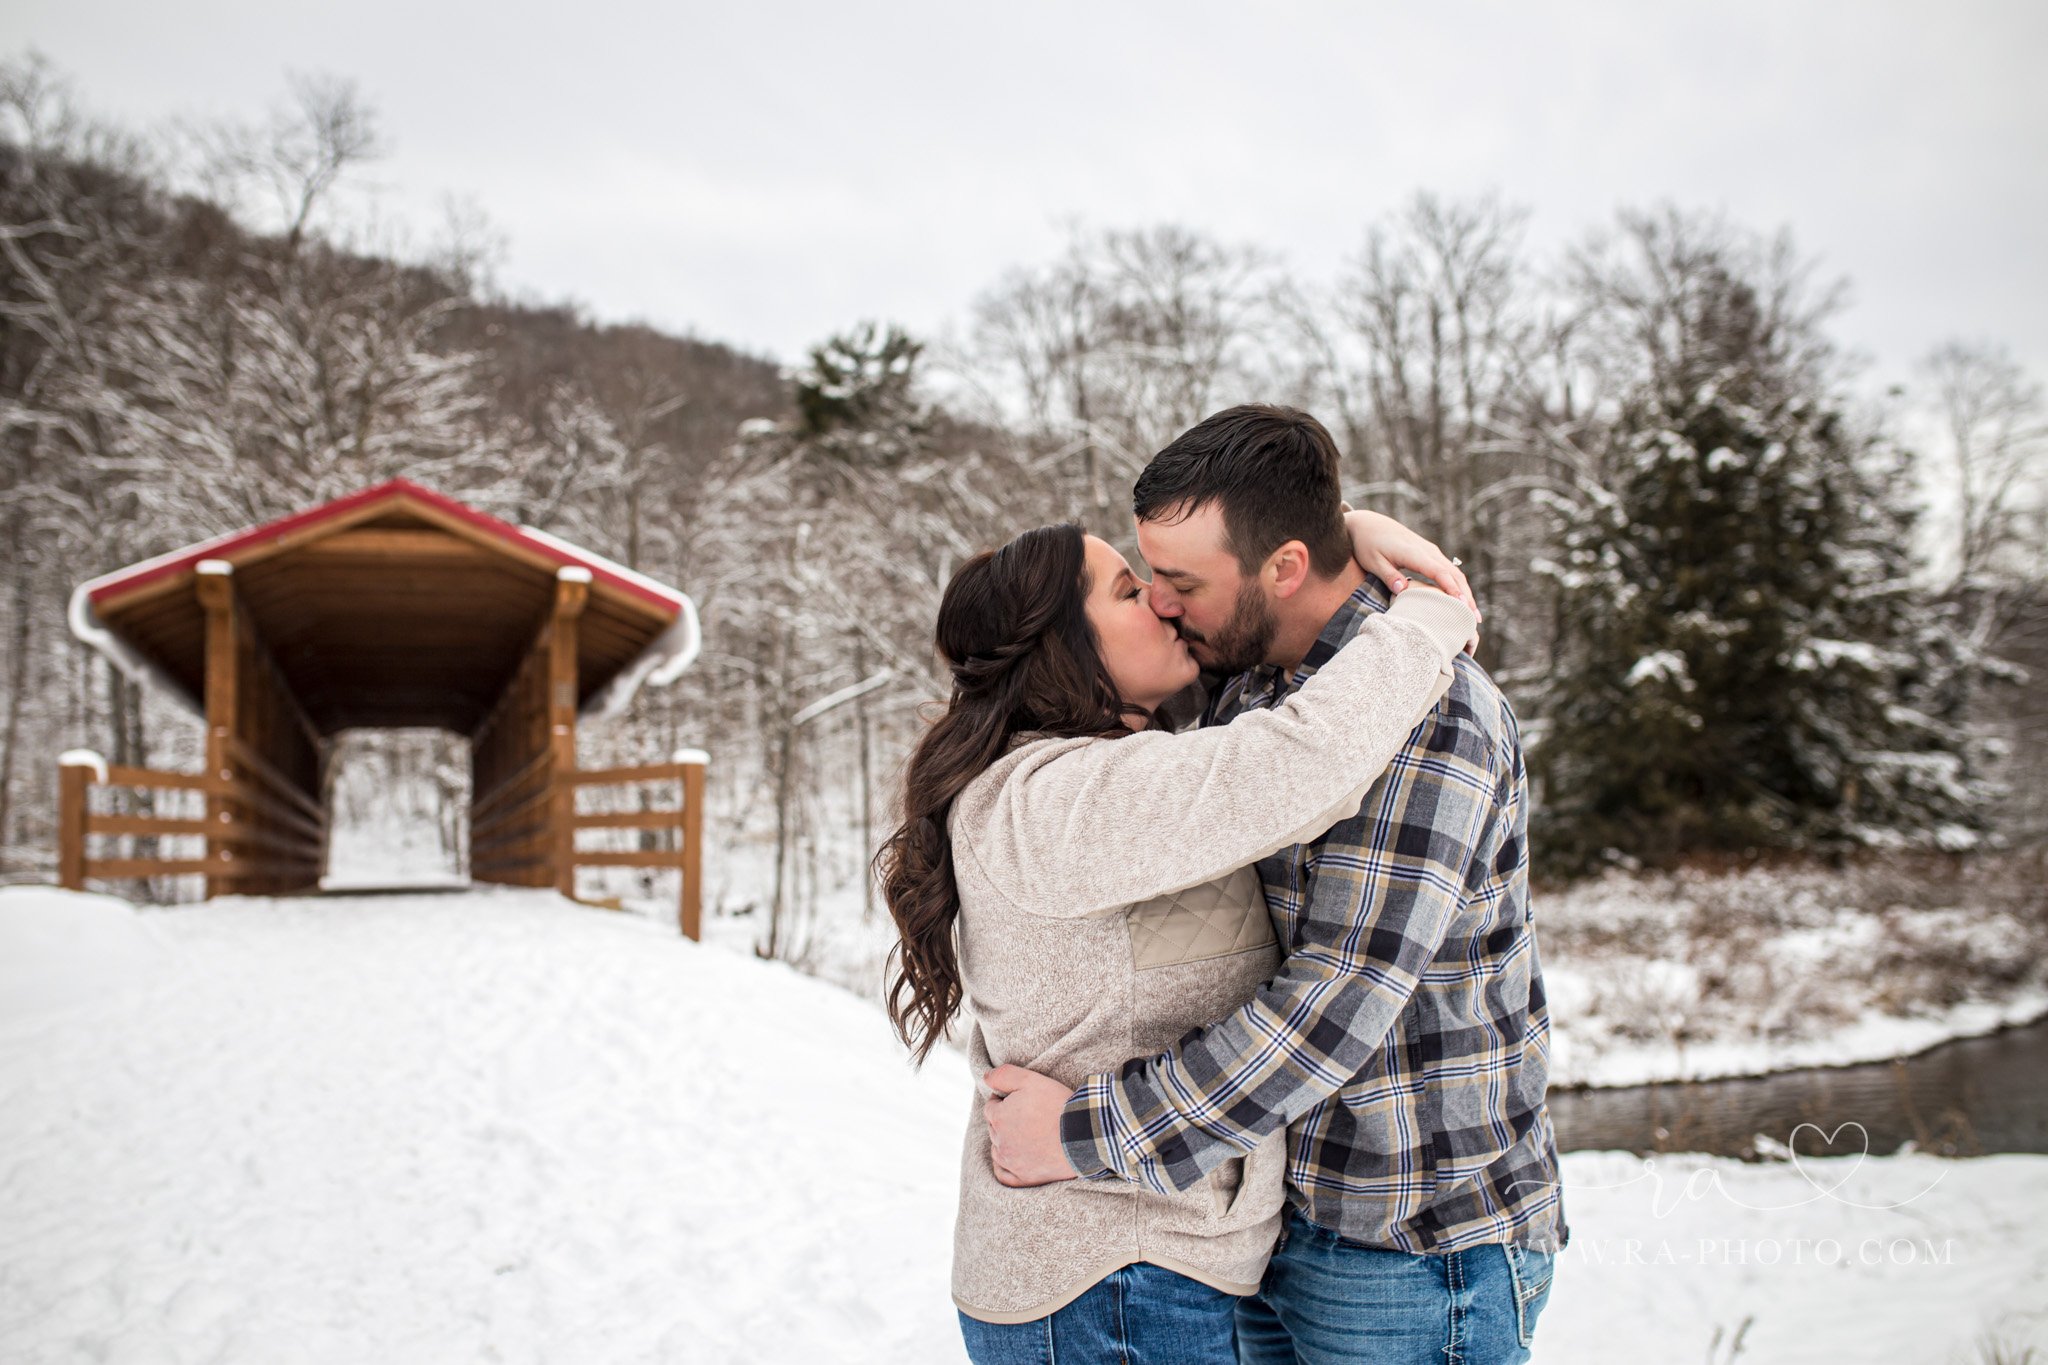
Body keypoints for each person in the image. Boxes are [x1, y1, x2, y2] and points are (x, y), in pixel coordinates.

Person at [982, 405, 1568, 1365]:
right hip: (1270, 1222)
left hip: (1406, 1249)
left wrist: (1085, 1132)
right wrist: (1366, 532)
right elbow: (1061, 661)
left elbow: (1335, 1002)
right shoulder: (1241, 680)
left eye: (1182, 583)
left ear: (1284, 568)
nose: (1164, 605)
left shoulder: (1436, 712)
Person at [876, 504, 1479, 1364]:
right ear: (1062, 647)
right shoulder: (1054, 800)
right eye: (1128, 589)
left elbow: (1269, 600)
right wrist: (1428, 613)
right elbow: (1299, 761)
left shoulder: (1120, 776)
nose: (1163, 601)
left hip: (1140, 1273)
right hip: (1106, 1279)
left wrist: (1341, 534)